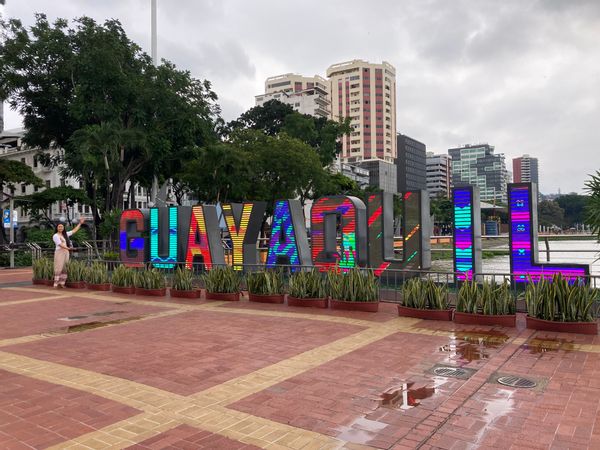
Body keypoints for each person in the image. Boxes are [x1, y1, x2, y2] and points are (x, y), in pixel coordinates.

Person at [52, 218, 85, 288]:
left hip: (66, 252)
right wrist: (69, 248)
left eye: (62, 227)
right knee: (59, 267)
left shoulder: (65, 234)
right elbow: (60, 244)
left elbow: (74, 230)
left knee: (65, 267)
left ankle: (62, 283)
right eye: (59, 227)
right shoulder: (55, 236)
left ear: (64, 228)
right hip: (59, 252)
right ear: (57, 228)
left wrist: (80, 223)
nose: (60, 228)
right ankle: (56, 284)